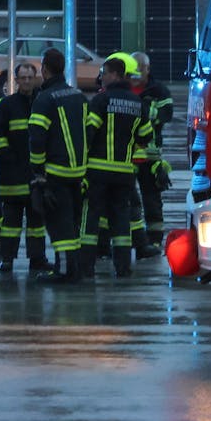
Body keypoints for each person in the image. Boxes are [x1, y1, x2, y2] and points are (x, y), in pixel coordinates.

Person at [82, 56, 153, 279]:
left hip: (97, 170)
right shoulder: (138, 103)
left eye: (104, 73)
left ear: (114, 75)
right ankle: (123, 268)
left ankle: (86, 267)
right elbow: (145, 136)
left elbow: (89, 132)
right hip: (124, 172)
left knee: (91, 219)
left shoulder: (101, 101)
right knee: (121, 220)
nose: (101, 78)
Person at [29, 49, 88, 284]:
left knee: (59, 226)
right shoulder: (78, 96)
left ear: (44, 69)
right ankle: (74, 268)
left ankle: (63, 270)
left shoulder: (44, 100)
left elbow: (36, 137)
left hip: (55, 172)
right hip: (78, 172)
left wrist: (37, 171)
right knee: (73, 225)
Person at [0, 62, 51, 276]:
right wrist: (8, 158)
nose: (26, 81)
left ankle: (37, 259)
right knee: (11, 223)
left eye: (29, 77)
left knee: (36, 223)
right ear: (16, 80)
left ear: (35, 78)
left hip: (35, 174)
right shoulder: (6, 105)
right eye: (22, 78)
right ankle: (7, 259)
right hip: (12, 176)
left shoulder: (43, 103)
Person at [130, 51, 174, 258]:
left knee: (152, 199)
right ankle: (136, 238)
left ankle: (155, 240)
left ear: (148, 69)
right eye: (134, 68)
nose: (137, 72)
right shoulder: (123, 89)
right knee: (129, 199)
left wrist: (139, 111)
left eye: (141, 68)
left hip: (150, 154)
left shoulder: (159, 91)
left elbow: (166, 115)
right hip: (127, 154)